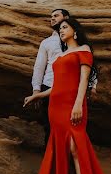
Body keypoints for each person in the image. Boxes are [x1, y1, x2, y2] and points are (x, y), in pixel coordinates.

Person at [22, 18, 111, 174]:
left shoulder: (84, 49)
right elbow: (57, 86)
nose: (60, 30)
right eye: (59, 28)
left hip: (73, 106)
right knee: (68, 156)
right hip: (56, 108)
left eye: (64, 27)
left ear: (75, 31)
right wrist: (38, 96)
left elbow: (83, 81)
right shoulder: (60, 55)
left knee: (76, 151)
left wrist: (79, 103)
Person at [30, 8, 96, 144]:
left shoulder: (77, 44)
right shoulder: (47, 42)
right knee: (51, 127)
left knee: (74, 127)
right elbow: (39, 66)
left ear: (66, 17)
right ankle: (54, 160)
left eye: (56, 15)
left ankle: (70, 161)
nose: (52, 18)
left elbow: (87, 64)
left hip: (73, 90)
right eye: (51, 16)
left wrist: (93, 84)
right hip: (50, 87)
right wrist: (36, 90)